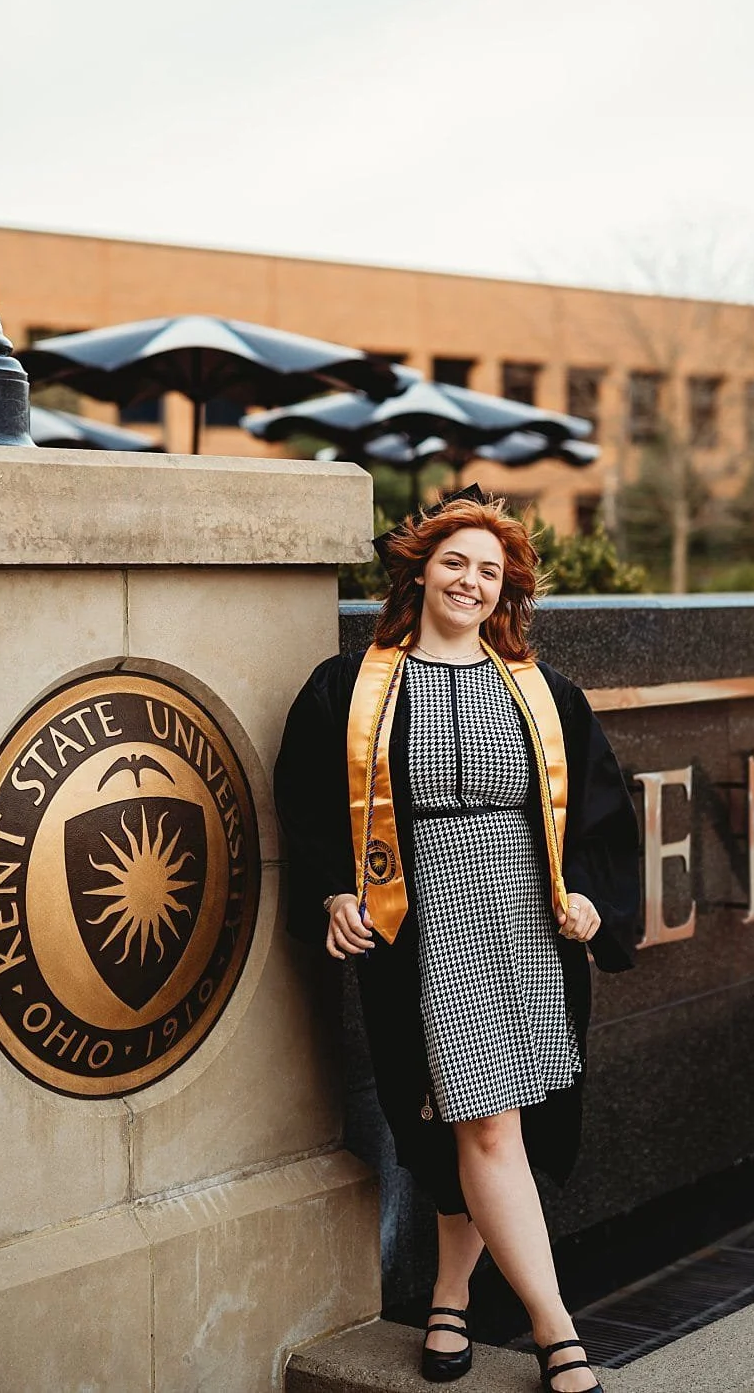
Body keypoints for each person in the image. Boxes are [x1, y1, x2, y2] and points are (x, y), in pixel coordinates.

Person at [275, 488, 640, 1393]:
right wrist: (334, 892)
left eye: (489, 570)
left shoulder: (544, 693)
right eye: (454, 563)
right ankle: (558, 1335)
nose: (471, 582)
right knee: (484, 1120)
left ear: (506, 590)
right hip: (425, 926)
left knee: (483, 1122)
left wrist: (589, 900)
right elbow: (306, 803)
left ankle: (448, 1298)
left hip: (524, 924)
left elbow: (599, 808)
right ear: (419, 571)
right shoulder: (350, 687)